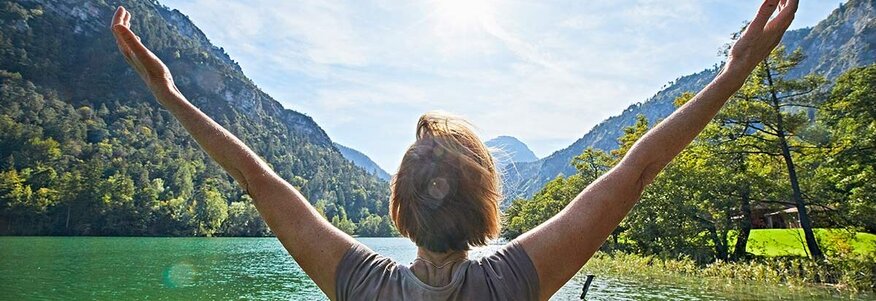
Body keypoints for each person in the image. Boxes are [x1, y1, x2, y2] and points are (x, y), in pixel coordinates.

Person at [110, 0, 798, 299]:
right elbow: (637, 168)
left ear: (400, 208)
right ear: (486, 205)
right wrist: (734, 72)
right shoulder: (515, 281)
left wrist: (170, 93)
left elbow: (258, 180)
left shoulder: (360, 285)